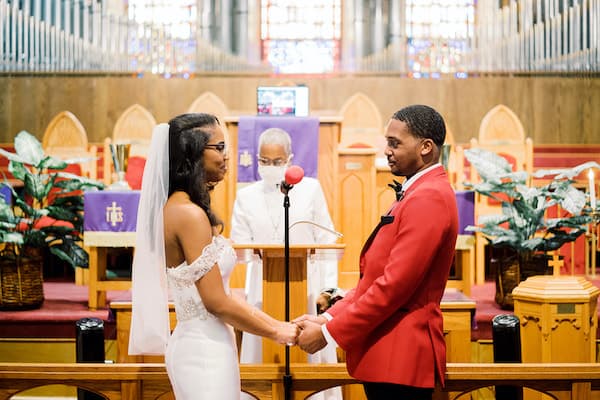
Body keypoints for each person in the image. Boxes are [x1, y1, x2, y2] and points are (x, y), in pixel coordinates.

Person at [128, 113, 298, 400]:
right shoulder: (187, 214)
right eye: (218, 148)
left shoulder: (181, 208)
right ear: (192, 152)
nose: (226, 157)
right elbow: (216, 301)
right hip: (203, 352)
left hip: (209, 343)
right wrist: (279, 330)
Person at [294, 105, 459, 400]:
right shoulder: (418, 192)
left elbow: (394, 286)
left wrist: (328, 335)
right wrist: (328, 319)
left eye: (395, 143)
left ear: (426, 147)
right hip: (389, 354)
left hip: (402, 355)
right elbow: (374, 278)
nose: (387, 150)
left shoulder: (428, 197)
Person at [230, 127, 342, 400]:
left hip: (305, 289)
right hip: (262, 289)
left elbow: (327, 239)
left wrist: (328, 290)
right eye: (264, 162)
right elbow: (239, 246)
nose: (270, 167)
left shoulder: (310, 189)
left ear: (290, 159)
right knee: (263, 360)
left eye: (277, 162)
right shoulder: (246, 196)